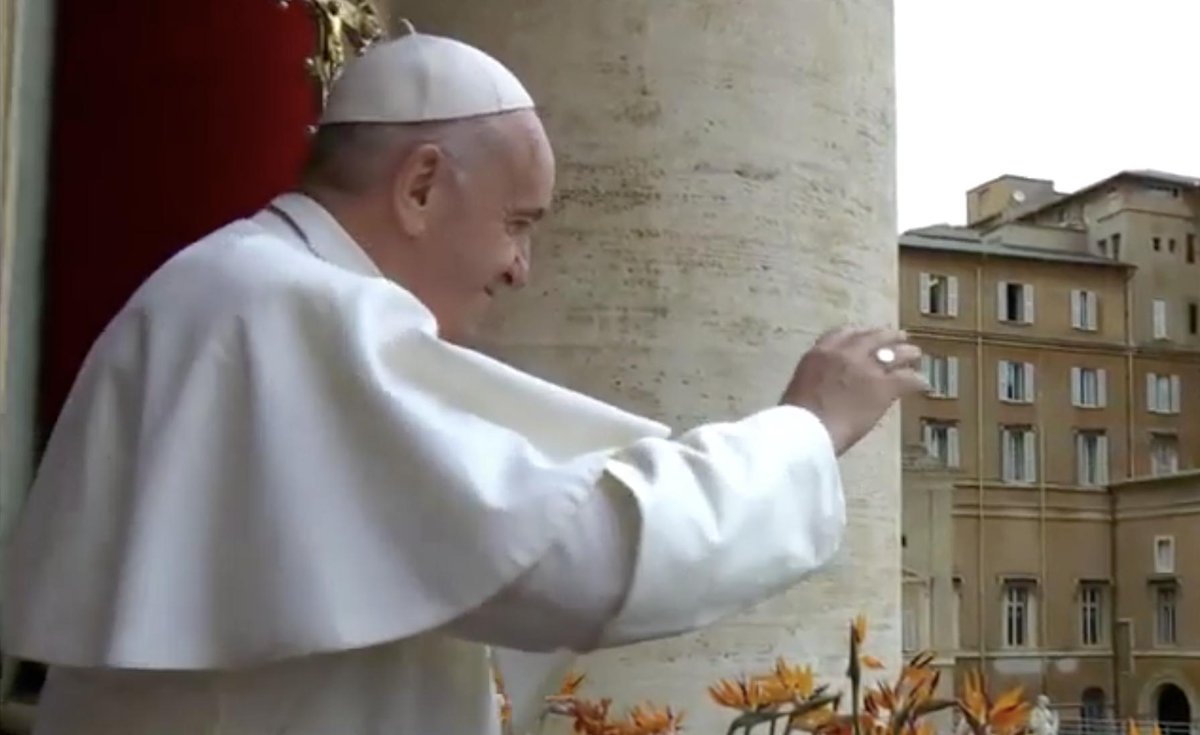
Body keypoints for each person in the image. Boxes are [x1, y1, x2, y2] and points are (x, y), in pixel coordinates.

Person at [0, 29, 926, 735]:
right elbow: (577, 555)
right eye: (518, 222)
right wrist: (809, 428)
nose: (521, 267)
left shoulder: (236, 289)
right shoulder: (286, 307)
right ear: (422, 185)